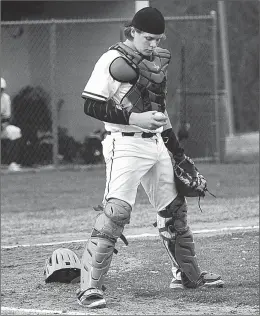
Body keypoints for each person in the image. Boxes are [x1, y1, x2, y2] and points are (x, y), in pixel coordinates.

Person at [77, 7, 224, 309]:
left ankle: (184, 275)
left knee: (174, 210)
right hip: (125, 143)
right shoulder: (111, 60)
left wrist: (177, 152)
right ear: (131, 31)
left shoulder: (155, 62)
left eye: (158, 39)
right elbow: (91, 105)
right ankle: (89, 287)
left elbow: (161, 111)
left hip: (156, 144)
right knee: (116, 212)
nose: (154, 45)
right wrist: (134, 117)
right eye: (148, 38)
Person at [1, 77, 22, 171]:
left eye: (1, 89)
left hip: (1, 125)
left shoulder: (6, 98)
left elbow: (7, 116)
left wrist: (3, 125)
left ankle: (12, 163)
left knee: (14, 131)